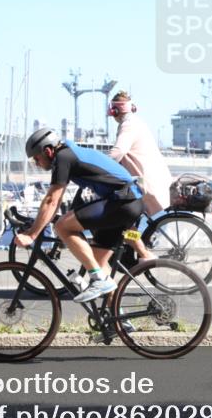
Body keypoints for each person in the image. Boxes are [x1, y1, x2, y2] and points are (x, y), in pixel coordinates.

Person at [17, 127, 144, 302]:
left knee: (62, 226)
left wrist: (32, 234)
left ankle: (112, 272)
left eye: (36, 159)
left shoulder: (63, 157)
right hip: (126, 202)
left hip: (123, 203)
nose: (37, 164)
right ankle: (116, 315)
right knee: (97, 263)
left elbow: (51, 200)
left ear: (48, 151)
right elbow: (60, 200)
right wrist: (46, 220)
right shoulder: (70, 153)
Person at [107, 91, 173, 260]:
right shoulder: (136, 122)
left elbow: (119, 151)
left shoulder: (128, 125)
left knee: (123, 221)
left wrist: (99, 166)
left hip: (145, 181)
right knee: (129, 220)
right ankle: (134, 249)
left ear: (114, 111)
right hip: (147, 179)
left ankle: (141, 252)